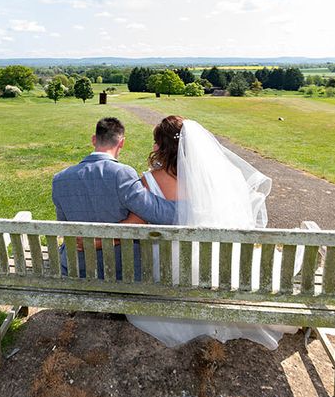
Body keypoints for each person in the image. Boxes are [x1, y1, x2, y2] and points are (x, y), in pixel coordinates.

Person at [126, 115, 299, 350]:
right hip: (215, 263)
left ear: (164, 147)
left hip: (170, 269)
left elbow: (135, 225)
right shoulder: (210, 181)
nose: (154, 147)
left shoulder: (149, 180)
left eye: (156, 142)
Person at [52, 117, 177, 280]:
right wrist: (191, 207)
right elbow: (157, 213)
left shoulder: (60, 179)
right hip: (122, 271)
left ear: (94, 140)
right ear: (122, 142)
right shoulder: (122, 174)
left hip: (76, 269)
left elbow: (64, 225)